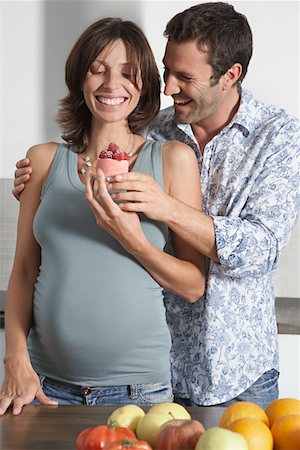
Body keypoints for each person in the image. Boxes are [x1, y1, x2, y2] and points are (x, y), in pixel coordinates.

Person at [11, 2, 300, 409]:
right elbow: (104, 129)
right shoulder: (159, 128)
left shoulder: (278, 138)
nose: (169, 87)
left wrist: (164, 210)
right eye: (166, 71)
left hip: (235, 372)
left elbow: (261, 249)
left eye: (184, 77)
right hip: (155, 368)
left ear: (230, 75)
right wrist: (36, 181)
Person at [0, 17, 206, 416]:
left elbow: (193, 285)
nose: (112, 84)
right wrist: (15, 359)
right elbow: (24, 269)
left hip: (140, 392)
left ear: (144, 84)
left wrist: (132, 238)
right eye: (98, 70)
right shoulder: (43, 161)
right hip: (43, 385)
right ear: (80, 80)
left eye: (128, 74)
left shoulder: (172, 161)